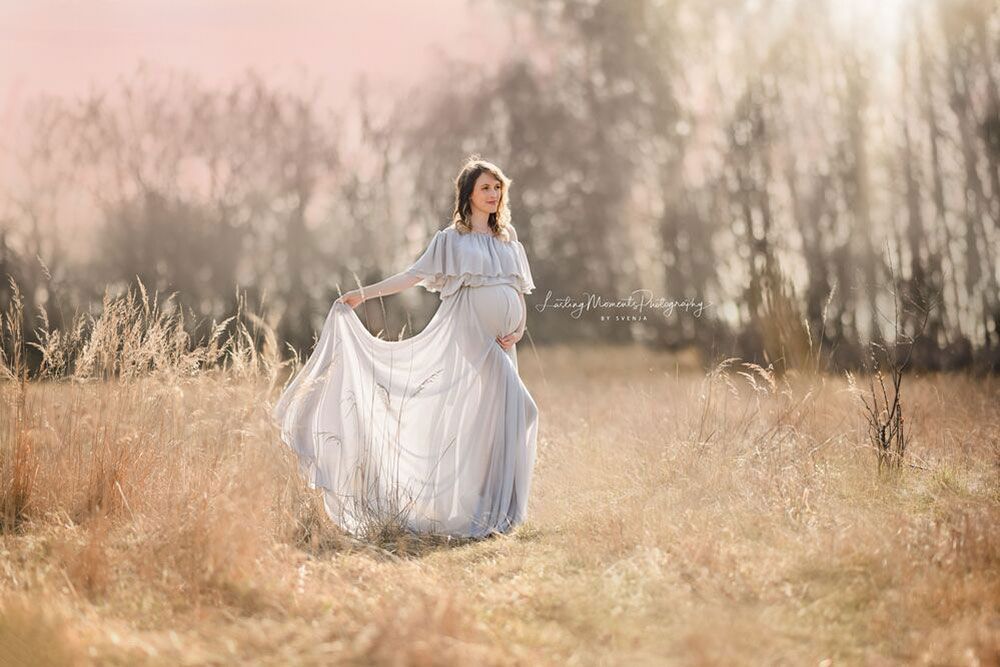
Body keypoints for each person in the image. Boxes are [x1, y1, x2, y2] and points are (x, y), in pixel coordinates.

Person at [272, 156, 539, 539]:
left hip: (504, 340)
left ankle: (495, 511)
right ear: (468, 194)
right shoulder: (452, 240)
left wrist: (520, 326)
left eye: (497, 187)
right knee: (524, 410)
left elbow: (517, 287)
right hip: (473, 333)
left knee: (496, 421)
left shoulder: (507, 239)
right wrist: (363, 295)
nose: (494, 194)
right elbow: (414, 276)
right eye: (485, 188)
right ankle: (490, 511)